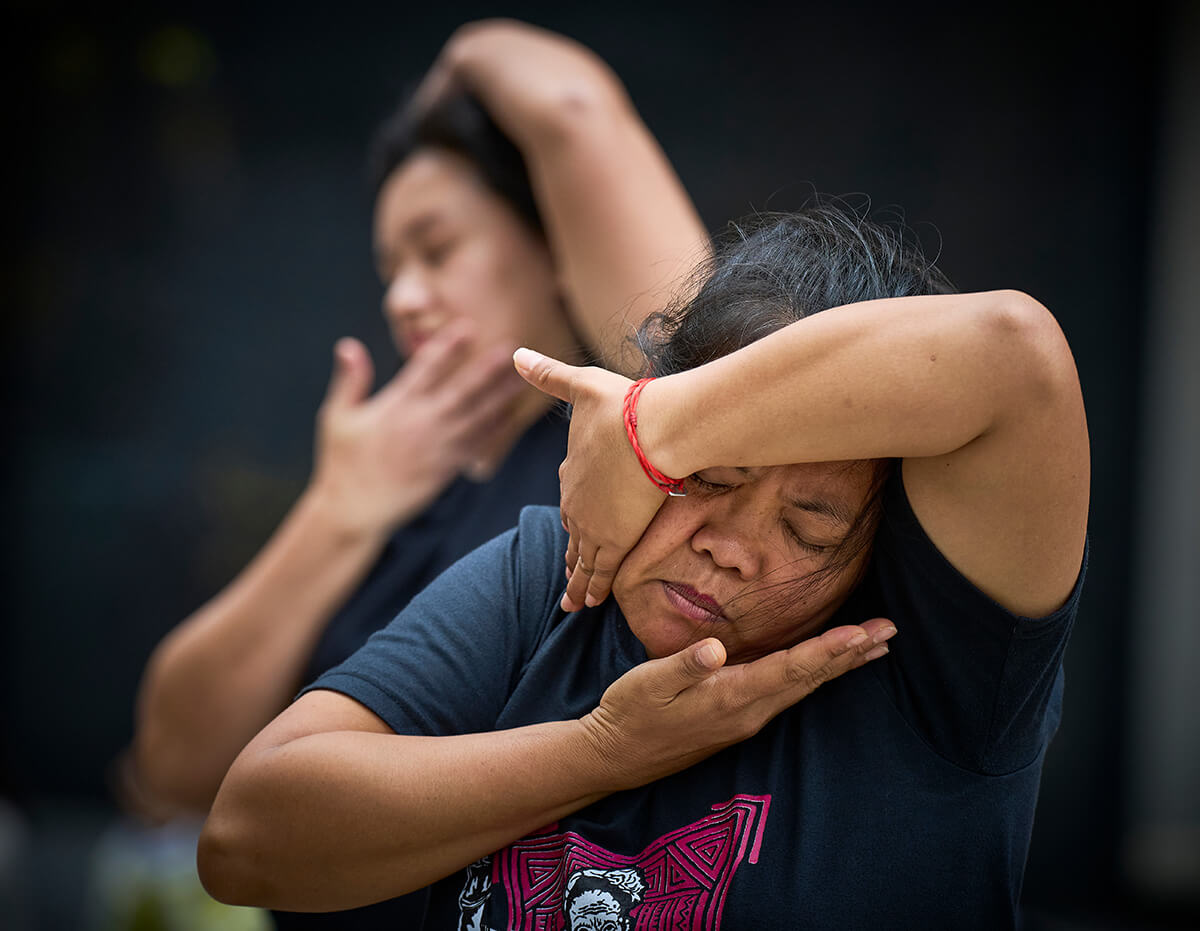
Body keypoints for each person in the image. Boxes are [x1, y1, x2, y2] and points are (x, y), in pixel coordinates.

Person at [196, 202, 1089, 928]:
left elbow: (1015, 356)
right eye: (704, 479)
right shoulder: (551, 578)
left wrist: (653, 430)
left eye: (811, 530)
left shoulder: (936, 664)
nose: (731, 546)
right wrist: (603, 751)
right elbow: (245, 836)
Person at [130, 18, 707, 929]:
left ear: (556, 243)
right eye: (390, 269)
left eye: (436, 250)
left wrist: (459, 62)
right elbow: (172, 767)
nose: (402, 295)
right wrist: (336, 512)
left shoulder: (646, 435)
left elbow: (565, 105)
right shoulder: (379, 478)